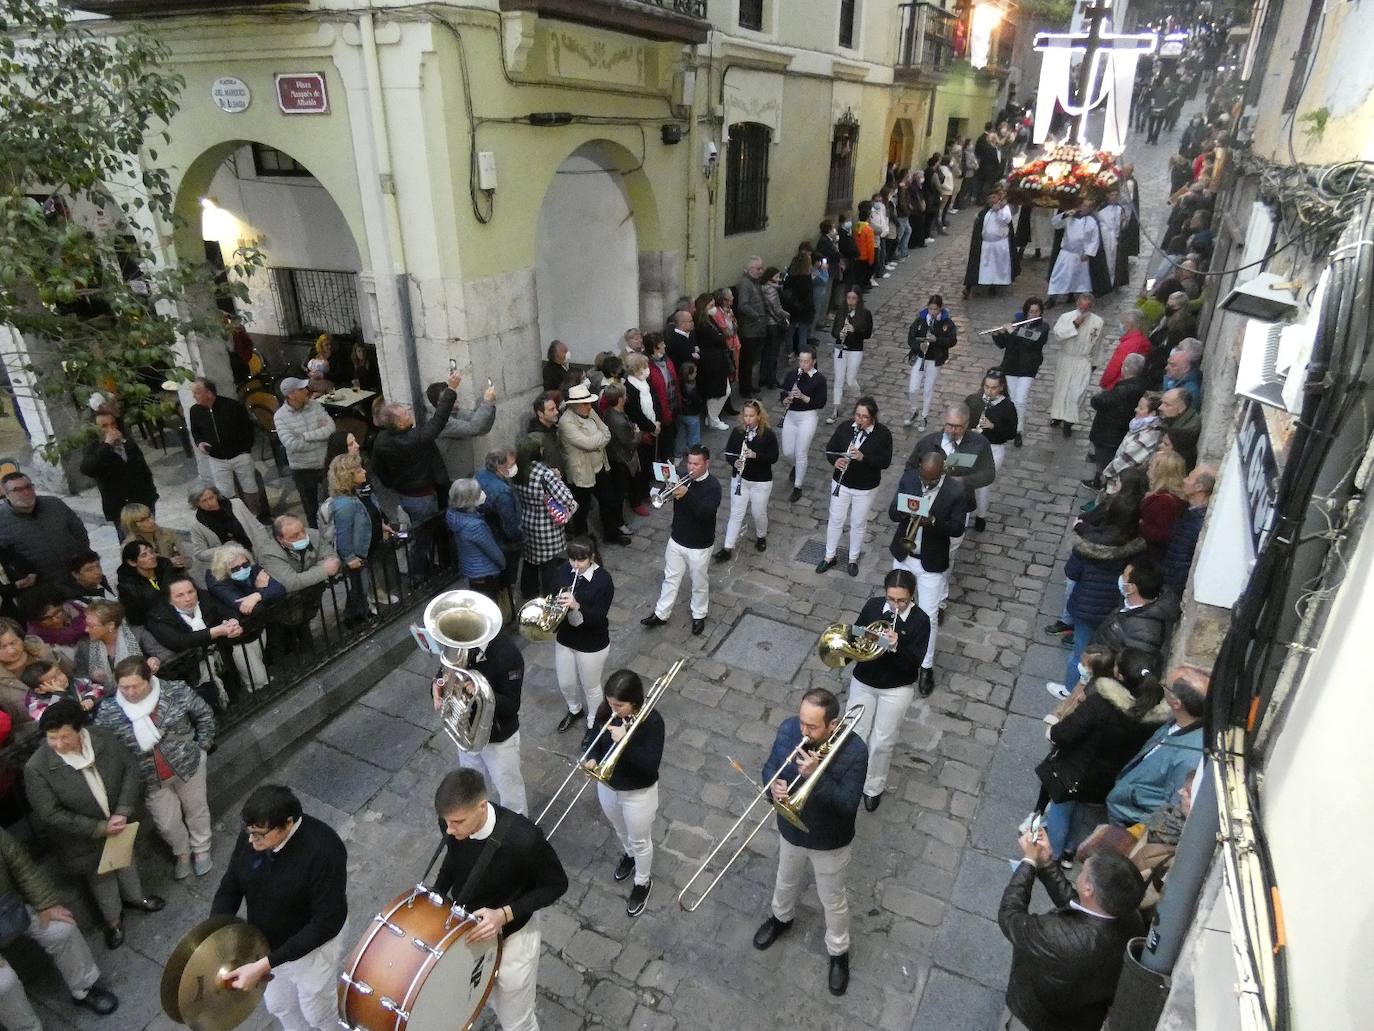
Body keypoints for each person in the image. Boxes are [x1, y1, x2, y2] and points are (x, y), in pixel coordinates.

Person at [432, 768, 569, 1031]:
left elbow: (556, 885)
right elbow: (454, 859)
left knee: (517, 1021)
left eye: (458, 822)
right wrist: (438, 891)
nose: (449, 830)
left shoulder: (524, 840)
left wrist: (503, 915)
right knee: (486, 994)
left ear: (481, 807)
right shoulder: (451, 824)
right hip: (471, 927)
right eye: (446, 822)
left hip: (513, 933)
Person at [753, 687, 868, 997]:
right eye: (802, 722)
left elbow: (846, 805)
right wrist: (772, 787)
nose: (803, 731)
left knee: (832, 898)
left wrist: (816, 776)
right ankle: (781, 918)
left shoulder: (855, 751)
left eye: (812, 726)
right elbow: (770, 767)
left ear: (832, 725)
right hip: (792, 829)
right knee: (785, 879)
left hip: (830, 840)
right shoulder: (790, 728)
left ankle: (838, 951)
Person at [25, 700, 164, 950]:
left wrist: (122, 811)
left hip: (119, 824)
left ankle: (137, 898)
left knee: (127, 861)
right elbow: (50, 813)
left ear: (80, 730)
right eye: (52, 738)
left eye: (64, 736)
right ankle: (113, 921)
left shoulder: (103, 738)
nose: (58, 744)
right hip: (83, 838)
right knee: (101, 880)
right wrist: (98, 828)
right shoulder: (37, 768)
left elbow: (129, 770)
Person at [211, 785, 349, 1031]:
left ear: (286, 824)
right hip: (266, 946)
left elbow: (326, 923)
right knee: (279, 1005)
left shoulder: (324, 849)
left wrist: (264, 965)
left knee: (317, 1012)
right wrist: (217, 938)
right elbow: (230, 886)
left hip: (311, 950)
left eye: (260, 835)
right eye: (249, 832)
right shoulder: (254, 834)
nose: (251, 841)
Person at [998, 831, 1146, 1031]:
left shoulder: (1055, 935)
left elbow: (1010, 916)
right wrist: (1046, 863)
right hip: (1079, 1020)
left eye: (1084, 871)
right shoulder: (1131, 919)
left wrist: (1028, 862)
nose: (1080, 872)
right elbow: (1078, 903)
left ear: (1088, 889)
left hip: (1035, 1018)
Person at [94, 656, 216, 880]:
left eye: (135, 686)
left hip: (187, 764)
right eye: (124, 687)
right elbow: (105, 747)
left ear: (149, 679)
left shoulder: (175, 691)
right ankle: (182, 853)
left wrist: (203, 746)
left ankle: (201, 849)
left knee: (196, 809)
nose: (129, 692)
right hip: (148, 778)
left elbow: (203, 714)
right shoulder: (109, 711)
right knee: (167, 824)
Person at [0, 826, 120, 1027]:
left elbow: (20, 865)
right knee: (3, 983)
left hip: (9, 907)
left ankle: (85, 987)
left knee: (61, 929)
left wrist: (45, 903)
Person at [842, 570, 929, 810]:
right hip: (865, 679)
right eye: (891, 599)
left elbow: (914, 663)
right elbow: (856, 633)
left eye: (902, 600)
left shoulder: (920, 621)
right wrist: (865, 638)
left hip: (896, 688)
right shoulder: (873, 606)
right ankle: (851, 776)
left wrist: (895, 645)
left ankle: (873, 787)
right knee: (854, 731)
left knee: (882, 741)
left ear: (911, 596)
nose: (896, 605)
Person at [581, 669, 664, 917]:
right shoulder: (607, 711)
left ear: (634, 702)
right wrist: (592, 758)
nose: (613, 708)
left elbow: (649, 765)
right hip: (608, 785)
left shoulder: (652, 721)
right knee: (619, 828)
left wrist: (624, 742)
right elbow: (594, 737)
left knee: (640, 839)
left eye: (620, 705)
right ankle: (629, 855)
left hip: (638, 792)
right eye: (610, 702)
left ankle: (642, 881)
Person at [888, 451, 967, 696]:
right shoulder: (910, 479)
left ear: (942, 472)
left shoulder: (955, 490)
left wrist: (932, 521)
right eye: (924, 478)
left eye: (931, 481)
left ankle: (926, 667)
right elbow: (892, 512)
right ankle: (894, 652)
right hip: (904, 555)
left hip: (931, 562)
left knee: (929, 616)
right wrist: (905, 511)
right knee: (895, 607)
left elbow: (957, 528)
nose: (925, 484)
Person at [1106, 667, 1209, 827]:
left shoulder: (1189, 760)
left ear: (1176, 702)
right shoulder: (1178, 721)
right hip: (1122, 806)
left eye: (1166, 686)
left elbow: (1173, 808)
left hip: (1131, 821)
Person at [640, 445, 720, 636]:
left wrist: (687, 495)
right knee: (670, 578)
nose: (691, 467)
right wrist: (667, 487)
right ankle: (661, 613)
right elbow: (666, 495)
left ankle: (699, 614)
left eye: (696, 464)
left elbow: (705, 513)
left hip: (699, 544)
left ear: (706, 463)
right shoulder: (682, 477)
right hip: (677, 538)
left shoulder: (713, 486)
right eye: (689, 462)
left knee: (699, 582)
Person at [146, 575, 262, 699]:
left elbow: (226, 611)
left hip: (222, 655)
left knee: (234, 691)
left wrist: (232, 622)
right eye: (179, 595)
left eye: (191, 592)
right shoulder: (158, 617)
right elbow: (177, 641)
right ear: (169, 600)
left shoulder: (205, 597)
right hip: (191, 669)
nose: (188, 598)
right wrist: (215, 632)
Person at [372, 368, 463, 527]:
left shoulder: (381, 440)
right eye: (405, 414)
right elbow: (438, 421)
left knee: (421, 530)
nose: (410, 414)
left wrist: (392, 484)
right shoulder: (414, 438)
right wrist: (451, 389)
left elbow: (378, 469)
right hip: (422, 497)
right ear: (399, 424)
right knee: (425, 535)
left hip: (404, 494)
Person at [818, 398, 892, 577]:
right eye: (857, 415)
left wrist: (862, 458)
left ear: (873, 418)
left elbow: (885, 462)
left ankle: (853, 558)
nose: (859, 420)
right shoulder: (845, 427)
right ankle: (829, 556)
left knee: (858, 522)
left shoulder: (882, 434)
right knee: (835, 519)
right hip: (841, 483)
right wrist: (836, 461)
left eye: (865, 417)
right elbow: (830, 449)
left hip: (865, 486)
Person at [545, 537, 612, 733]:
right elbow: (553, 592)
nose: (576, 565)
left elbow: (599, 617)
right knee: (566, 682)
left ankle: (594, 722)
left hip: (591, 642)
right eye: (572, 559)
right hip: (567, 637)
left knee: (591, 687)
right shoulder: (566, 570)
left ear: (591, 558)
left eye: (581, 560)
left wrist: (577, 606)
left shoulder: (603, 580)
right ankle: (574, 710)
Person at [0, 472, 90, 593]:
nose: (26, 493)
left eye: (28, 487)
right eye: (18, 490)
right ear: (6, 495)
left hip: (77, 576)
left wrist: (83, 560)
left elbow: (79, 531)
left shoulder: (54, 504)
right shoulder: (2, 521)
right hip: (43, 590)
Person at [557, 383, 623, 543]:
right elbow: (588, 444)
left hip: (599, 467)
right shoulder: (566, 423)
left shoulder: (591, 411)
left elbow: (606, 431)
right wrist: (599, 440)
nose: (589, 406)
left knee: (609, 502)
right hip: (582, 473)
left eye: (589, 402)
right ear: (573, 405)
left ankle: (611, 535)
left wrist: (598, 440)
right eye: (585, 403)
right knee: (582, 510)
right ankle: (583, 543)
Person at [512, 436, 576, 600]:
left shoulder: (517, 471)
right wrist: (558, 480)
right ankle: (550, 594)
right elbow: (566, 498)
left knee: (530, 559)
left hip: (527, 520)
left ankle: (528, 591)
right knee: (549, 562)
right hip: (546, 525)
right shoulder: (545, 474)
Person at [326, 453, 386, 623]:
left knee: (362, 584)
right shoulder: (344, 504)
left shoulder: (361, 492)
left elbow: (369, 514)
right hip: (358, 554)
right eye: (359, 470)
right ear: (348, 476)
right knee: (359, 586)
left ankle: (361, 612)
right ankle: (356, 619)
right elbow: (343, 534)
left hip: (368, 547)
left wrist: (381, 525)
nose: (364, 472)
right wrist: (350, 558)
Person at [188, 378, 262, 516]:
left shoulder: (232, 406)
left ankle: (255, 515)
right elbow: (195, 431)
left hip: (240, 455)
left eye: (197, 393)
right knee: (225, 491)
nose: (194, 396)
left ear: (208, 393)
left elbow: (248, 428)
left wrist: (246, 450)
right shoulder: (195, 411)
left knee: (250, 486)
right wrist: (200, 443)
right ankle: (235, 515)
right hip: (217, 459)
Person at [716, 400, 779, 560]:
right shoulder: (738, 432)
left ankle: (761, 536)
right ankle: (727, 547)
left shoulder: (768, 434)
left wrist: (755, 455)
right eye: (745, 416)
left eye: (751, 416)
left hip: (760, 481)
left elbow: (773, 457)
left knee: (758, 513)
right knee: (736, 513)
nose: (748, 420)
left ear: (759, 416)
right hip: (740, 479)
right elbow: (729, 453)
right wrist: (735, 462)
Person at [273, 378, 335, 529]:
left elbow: (331, 428)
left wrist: (306, 436)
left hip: (324, 463)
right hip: (302, 468)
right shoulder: (280, 416)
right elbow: (291, 444)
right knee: (310, 508)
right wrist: (320, 437)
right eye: (301, 389)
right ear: (291, 395)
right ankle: (316, 536)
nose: (307, 391)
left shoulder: (316, 405)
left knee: (333, 502)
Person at [75, 599, 171, 695]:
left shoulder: (137, 634)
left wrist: (155, 660)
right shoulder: (84, 646)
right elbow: (80, 678)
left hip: (145, 690)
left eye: (91, 626)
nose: (86, 630)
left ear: (110, 626)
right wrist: (93, 683)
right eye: (86, 624)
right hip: (108, 699)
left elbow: (166, 654)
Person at [79, 409, 157, 526]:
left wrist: (151, 495)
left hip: (143, 503)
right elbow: (87, 468)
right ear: (97, 429)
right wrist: (107, 445)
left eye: (112, 424)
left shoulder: (128, 444)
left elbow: (144, 470)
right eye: (104, 426)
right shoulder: (94, 449)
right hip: (120, 510)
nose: (111, 429)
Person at [991, 299, 1049, 447]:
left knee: (1020, 400)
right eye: (1031, 312)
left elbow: (1031, 341)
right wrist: (998, 334)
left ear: (1040, 312)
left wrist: (1014, 331)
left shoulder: (1043, 327)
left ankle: (1019, 430)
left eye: (1036, 311)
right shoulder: (1018, 323)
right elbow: (1003, 344)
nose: (1033, 314)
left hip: (1027, 369)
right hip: (1011, 367)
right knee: (1011, 400)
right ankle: (1009, 426)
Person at [1086, 353, 1149, 489]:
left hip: (1109, 433)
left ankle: (1100, 486)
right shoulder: (1139, 385)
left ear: (1125, 368)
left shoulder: (1123, 389)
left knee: (1104, 463)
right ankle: (1097, 482)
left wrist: (1099, 396)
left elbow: (1099, 401)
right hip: (1118, 431)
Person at [965, 370, 1018, 530]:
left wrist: (993, 426)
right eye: (986, 386)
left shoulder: (1008, 406)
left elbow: (1011, 433)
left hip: (993, 449)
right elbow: (961, 419)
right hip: (970, 446)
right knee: (962, 482)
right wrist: (968, 431)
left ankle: (981, 516)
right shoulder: (973, 400)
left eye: (993, 388)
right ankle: (963, 517)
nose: (989, 390)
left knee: (982, 485)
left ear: (1001, 388)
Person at [1048, 294, 1105, 437]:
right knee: (1062, 389)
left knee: (1077, 392)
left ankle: (1069, 421)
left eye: (1087, 308)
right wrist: (1074, 325)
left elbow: (1098, 343)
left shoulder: (1098, 322)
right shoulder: (1066, 317)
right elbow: (1058, 334)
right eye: (1081, 306)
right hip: (1066, 358)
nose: (1083, 310)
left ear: (1091, 307)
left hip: (1083, 360)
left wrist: (1095, 362)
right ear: (1077, 304)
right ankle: (1057, 416)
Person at [476, 448, 525, 608]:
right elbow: (510, 526)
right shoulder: (502, 492)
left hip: (488, 536)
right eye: (511, 464)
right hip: (504, 544)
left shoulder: (481, 475)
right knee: (506, 580)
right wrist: (521, 536)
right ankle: (506, 609)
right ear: (499, 467)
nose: (514, 467)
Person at [778, 347, 827, 503]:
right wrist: (785, 399)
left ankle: (798, 486)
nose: (803, 364)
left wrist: (804, 397)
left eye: (806, 361)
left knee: (801, 452)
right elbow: (783, 392)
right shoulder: (793, 374)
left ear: (813, 362)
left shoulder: (819, 379)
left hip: (808, 417)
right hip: (791, 416)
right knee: (787, 451)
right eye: (801, 361)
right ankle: (797, 467)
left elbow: (821, 403)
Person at [427, 377, 499, 483]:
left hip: (467, 473)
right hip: (452, 479)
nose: (454, 398)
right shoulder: (442, 422)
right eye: (448, 397)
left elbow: (482, 428)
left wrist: (491, 405)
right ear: (439, 403)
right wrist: (487, 403)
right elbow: (474, 428)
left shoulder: (459, 413)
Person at [904, 295, 958, 429]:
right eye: (931, 309)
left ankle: (924, 416)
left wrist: (937, 340)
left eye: (936, 309)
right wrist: (918, 346)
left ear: (940, 309)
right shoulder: (920, 320)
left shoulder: (947, 323)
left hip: (934, 360)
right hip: (920, 357)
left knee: (928, 389)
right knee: (913, 389)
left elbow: (952, 341)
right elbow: (911, 338)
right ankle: (914, 409)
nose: (933, 312)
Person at [1162, 465, 1216, 597]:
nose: (1184, 480)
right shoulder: (1191, 514)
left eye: (1190, 478)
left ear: (1199, 488)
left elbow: (1180, 562)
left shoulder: (1198, 523)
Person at [187, 483, 261, 579]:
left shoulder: (237, 504)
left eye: (211, 498)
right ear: (196, 503)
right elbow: (199, 553)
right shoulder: (196, 525)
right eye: (204, 501)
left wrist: (264, 547)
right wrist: (224, 549)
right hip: (230, 567)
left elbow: (257, 526)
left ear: (216, 495)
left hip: (255, 553)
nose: (209, 503)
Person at [1101, 391, 1166, 494]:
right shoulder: (1141, 425)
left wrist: (1107, 473)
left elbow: (1126, 461)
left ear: (1153, 414)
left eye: (1141, 408)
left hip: (1119, 484)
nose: (1136, 409)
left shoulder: (1147, 436)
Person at [827, 288, 873, 423]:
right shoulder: (842, 311)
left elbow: (868, 334)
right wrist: (840, 333)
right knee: (838, 379)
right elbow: (833, 330)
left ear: (858, 299)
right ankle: (835, 408)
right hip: (840, 348)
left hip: (855, 349)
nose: (850, 301)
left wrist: (855, 330)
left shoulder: (865, 313)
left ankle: (860, 399)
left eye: (853, 298)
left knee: (850, 379)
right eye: (848, 298)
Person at [962, 190, 1017, 298]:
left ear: (998, 198)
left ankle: (994, 286)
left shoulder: (1004, 209)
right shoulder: (984, 212)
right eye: (990, 198)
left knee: (997, 267)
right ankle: (972, 286)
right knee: (985, 267)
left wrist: (998, 211)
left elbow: (1006, 220)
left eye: (994, 197)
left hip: (1000, 244)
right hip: (986, 245)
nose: (992, 200)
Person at [1047, 202, 1103, 303]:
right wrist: (1065, 214)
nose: (1085, 208)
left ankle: (1071, 295)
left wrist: (1088, 253)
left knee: (1078, 278)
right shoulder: (1069, 218)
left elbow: (1094, 239)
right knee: (1059, 276)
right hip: (1066, 253)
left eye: (1088, 206)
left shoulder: (1091, 221)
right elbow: (1055, 223)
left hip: (1080, 255)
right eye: (1083, 206)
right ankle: (1052, 297)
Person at [1138, 451, 1189, 561]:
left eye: (1152, 465)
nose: (1149, 468)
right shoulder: (1165, 495)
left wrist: (1141, 524)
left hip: (1151, 555)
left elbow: (1163, 534)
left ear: (1160, 471)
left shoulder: (1165, 501)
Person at [116, 541, 176, 627]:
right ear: (132, 562)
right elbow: (135, 619)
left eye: (151, 552)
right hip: (155, 625)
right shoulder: (128, 587)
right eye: (144, 555)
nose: (151, 556)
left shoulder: (166, 568)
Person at [119, 503, 189, 571]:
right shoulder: (128, 547)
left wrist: (182, 562)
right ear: (132, 525)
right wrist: (167, 564)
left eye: (150, 515)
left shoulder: (168, 533)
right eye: (143, 520)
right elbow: (133, 576)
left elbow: (189, 561)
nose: (152, 521)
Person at [735, 257, 768, 395]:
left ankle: (749, 385)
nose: (760, 271)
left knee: (753, 359)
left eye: (761, 268)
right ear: (748, 269)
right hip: (749, 330)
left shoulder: (755, 283)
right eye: (757, 268)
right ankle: (745, 389)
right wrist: (756, 316)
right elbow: (743, 305)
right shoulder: (745, 284)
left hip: (757, 329)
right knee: (747, 362)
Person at [1098, 310, 1152, 391]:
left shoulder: (1128, 345)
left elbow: (1114, 368)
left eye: (1123, 322)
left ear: (1130, 324)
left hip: (1117, 385)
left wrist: (1104, 383)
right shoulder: (1143, 340)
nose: (1121, 325)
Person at [524, 392, 567, 480]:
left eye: (556, 408)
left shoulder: (553, 428)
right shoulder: (534, 439)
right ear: (540, 414)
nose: (556, 412)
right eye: (551, 410)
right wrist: (549, 473)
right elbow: (530, 467)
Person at [782, 252, 816, 357]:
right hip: (805, 309)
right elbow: (809, 297)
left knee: (790, 332)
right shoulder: (807, 278)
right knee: (803, 334)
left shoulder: (790, 278)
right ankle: (802, 354)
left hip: (792, 308)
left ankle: (790, 352)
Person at [1162, 345, 1203, 409]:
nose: (1166, 368)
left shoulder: (1190, 392)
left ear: (1185, 368)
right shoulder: (1176, 379)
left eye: (1173, 365)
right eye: (1168, 363)